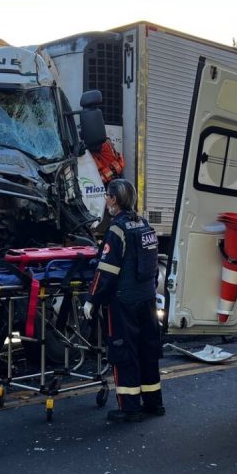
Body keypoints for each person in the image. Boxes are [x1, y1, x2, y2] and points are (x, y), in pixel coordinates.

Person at [83, 178, 164, 423]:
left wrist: (91, 299)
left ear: (114, 199)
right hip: (147, 299)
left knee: (124, 352)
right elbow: (150, 266)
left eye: (107, 196)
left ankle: (130, 408)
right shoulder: (144, 225)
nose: (106, 200)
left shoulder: (117, 229)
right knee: (148, 350)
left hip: (124, 302)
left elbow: (106, 271)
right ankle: (153, 403)